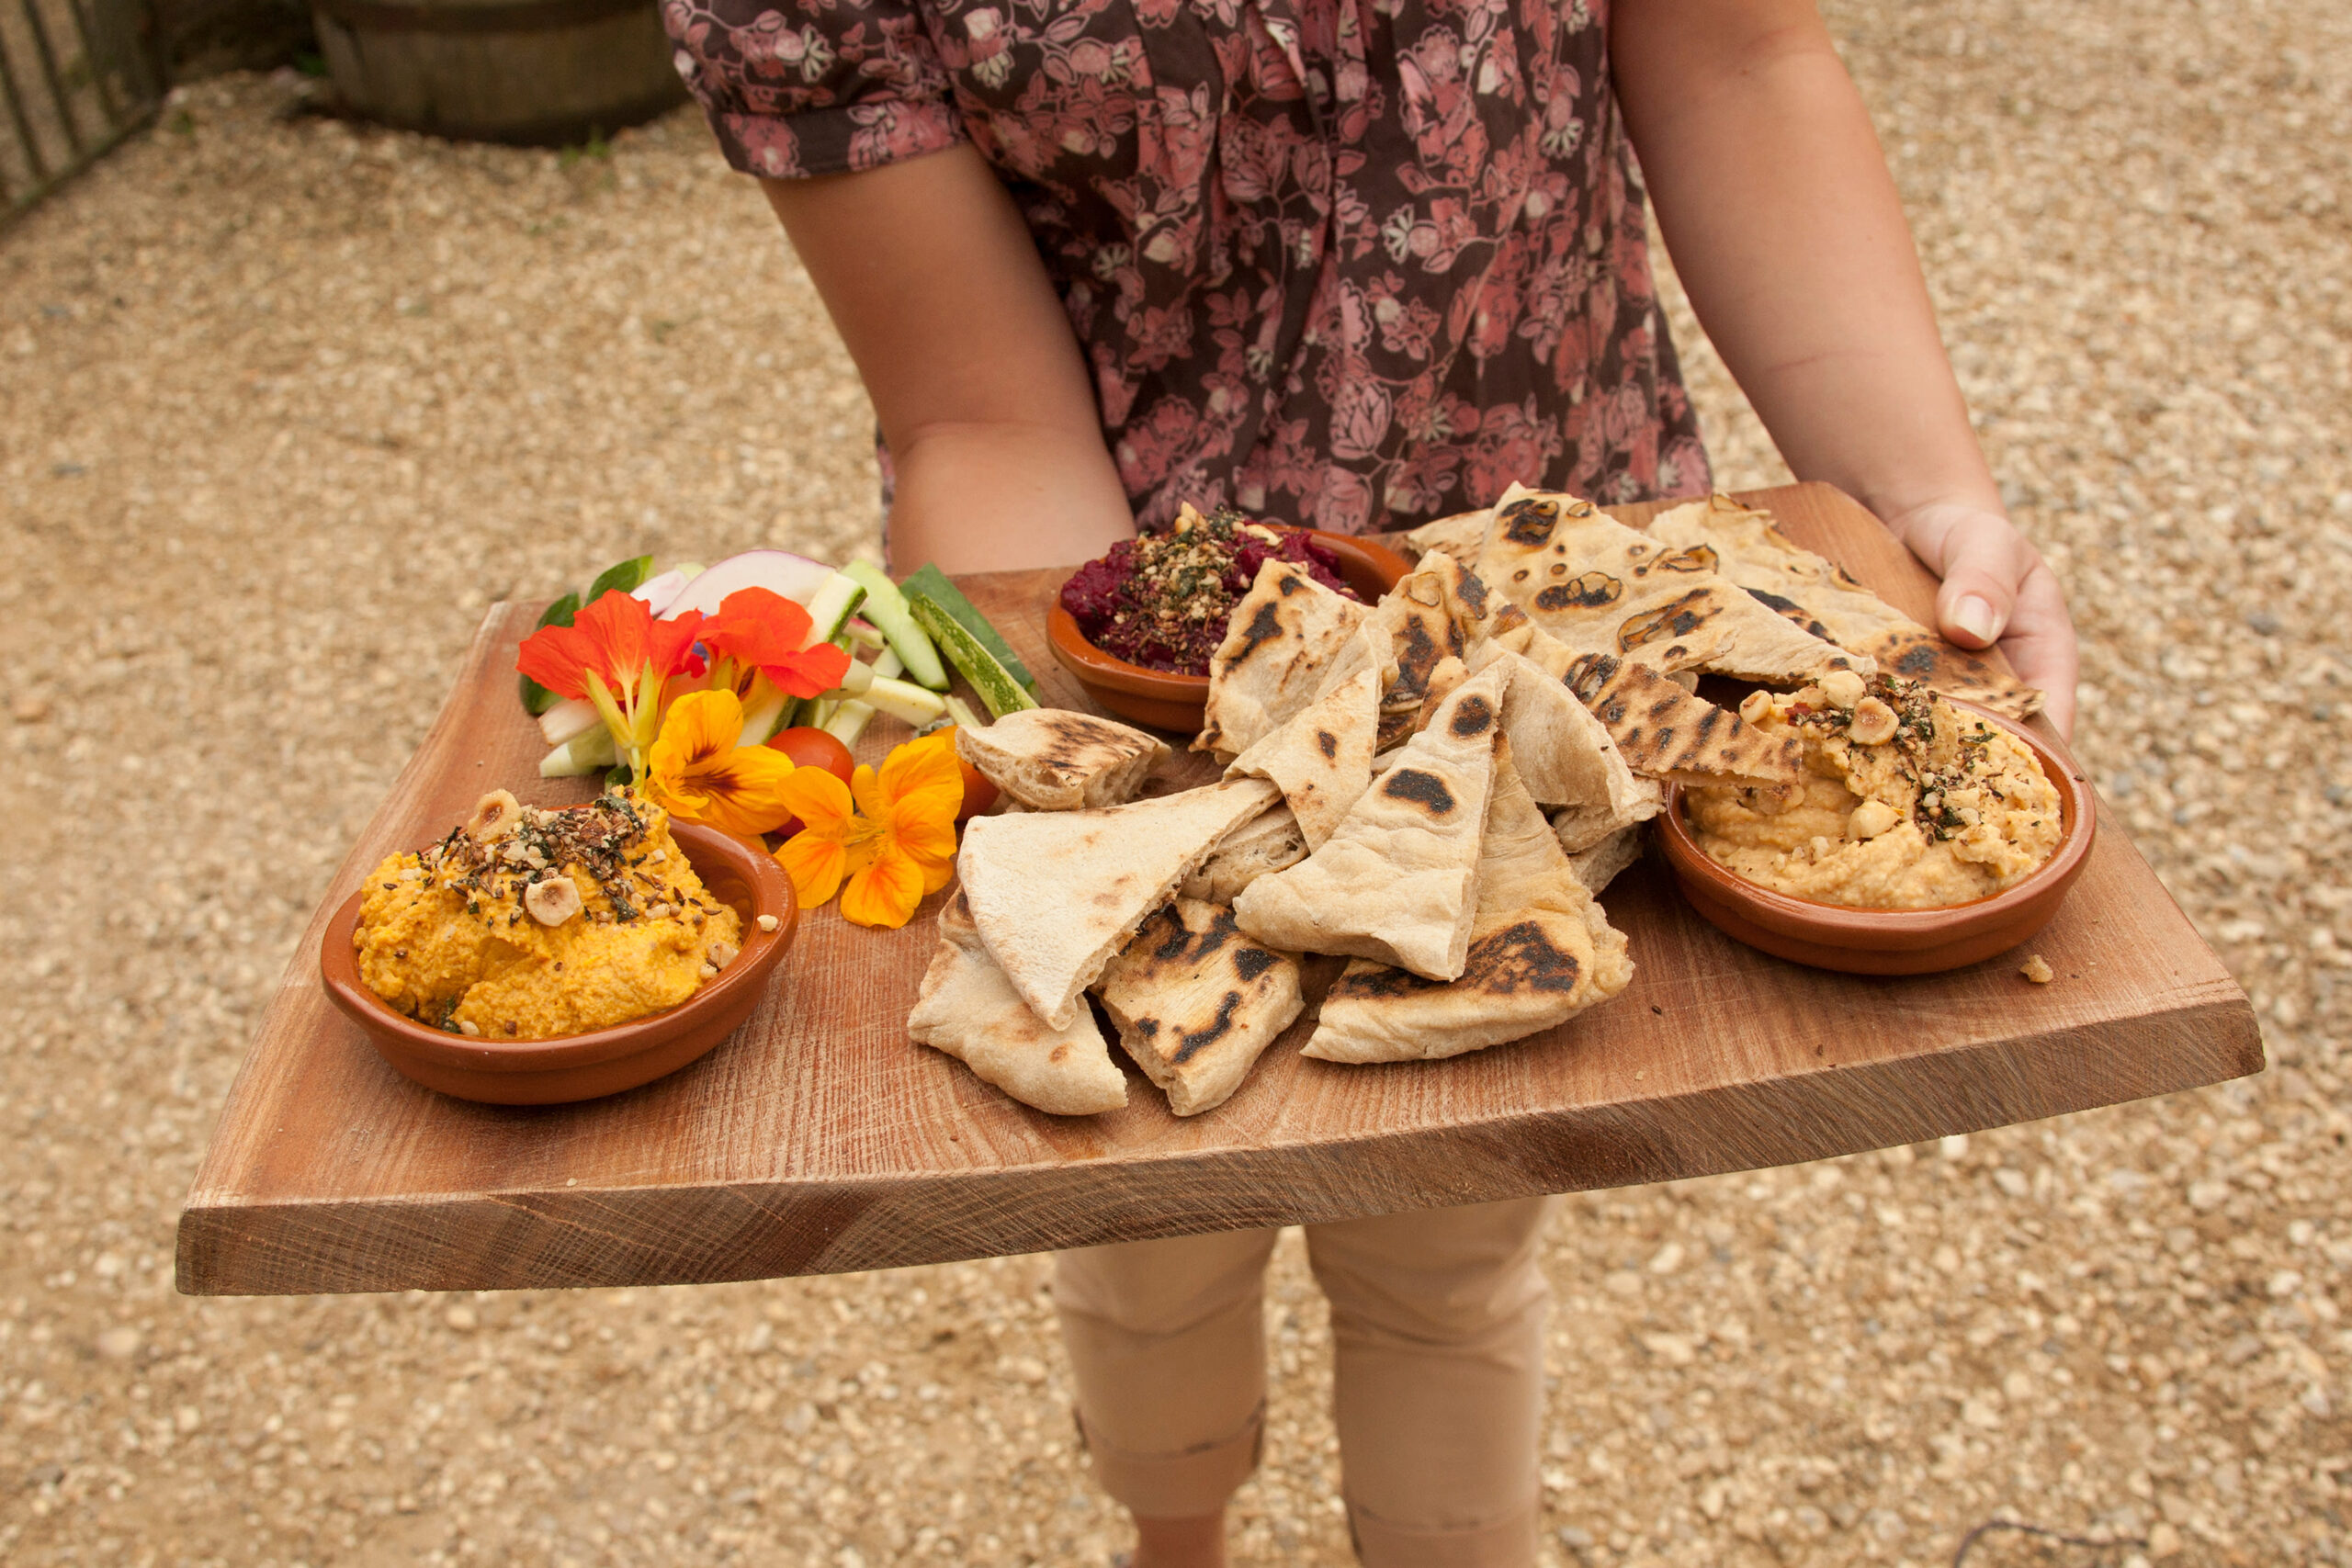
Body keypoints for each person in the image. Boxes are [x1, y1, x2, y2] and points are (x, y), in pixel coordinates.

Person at [661, 0, 2082, 1562]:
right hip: (1133, 633)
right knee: (1146, 1219)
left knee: (1453, 1238)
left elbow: (1740, 64)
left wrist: (1918, 503)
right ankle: (1174, 1537)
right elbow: (979, 408)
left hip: (1557, 623)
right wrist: (1158, 814)